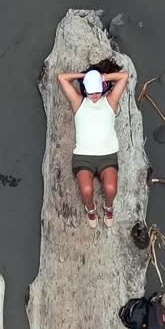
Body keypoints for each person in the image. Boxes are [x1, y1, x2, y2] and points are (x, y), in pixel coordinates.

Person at [56, 68, 129, 228]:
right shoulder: (78, 102)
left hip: (107, 156)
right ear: (85, 90)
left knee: (110, 189)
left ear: (102, 87)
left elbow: (124, 76)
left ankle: (108, 207)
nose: (94, 95)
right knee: (87, 190)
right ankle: (90, 209)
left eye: (97, 91)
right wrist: (84, 76)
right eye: (90, 92)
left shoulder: (110, 101)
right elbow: (62, 78)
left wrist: (103, 77)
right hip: (84, 157)